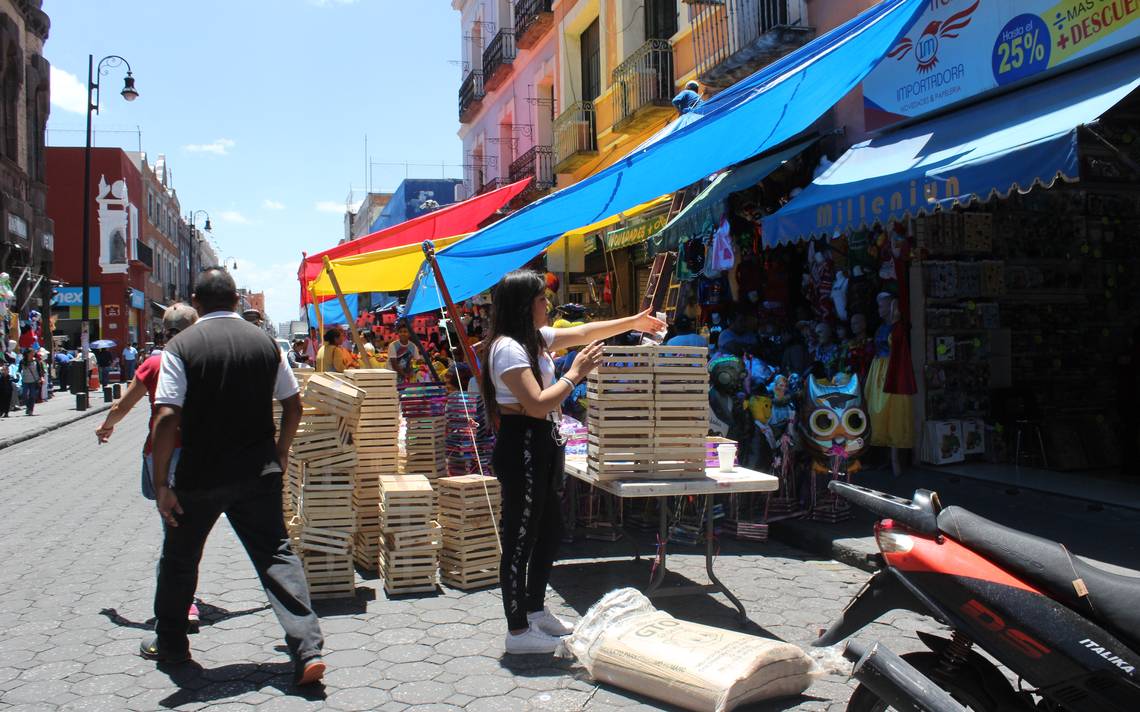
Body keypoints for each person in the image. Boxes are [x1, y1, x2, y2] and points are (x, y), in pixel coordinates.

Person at [144, 268, 325, 685]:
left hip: (200, 475)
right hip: (258, 471)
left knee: (180, 558)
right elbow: (293, 405)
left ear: (196, 302)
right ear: (236, 301)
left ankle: (171, 643)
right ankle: (307, 649)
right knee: (276, 555)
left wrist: (162, 484)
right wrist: (281, 452)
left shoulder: (180, 346)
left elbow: (167, 416)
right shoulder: (265, 344)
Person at [482, 270, 664, 654]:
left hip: (543, 442)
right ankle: (517, 632)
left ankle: (534, 610)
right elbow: (536, 404)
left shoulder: (533, 339)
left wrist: (633, 322)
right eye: (541, 299)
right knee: (519, 539)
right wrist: (575, 373)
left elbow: (584, 332)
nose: (547, 305)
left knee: (549, 531)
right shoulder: (508, 348)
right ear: (524, 305)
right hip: (522, 445)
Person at [96, 304, 202, 628]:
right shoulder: (203, 362)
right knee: (187, 529)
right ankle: (184, 598)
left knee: (173, 529)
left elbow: (123, 404)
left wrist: (106, 426)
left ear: (164, 332)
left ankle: (181, 602)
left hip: (162, 453)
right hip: (199, 454)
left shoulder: (155, 363)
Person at [18, 349, 43, 416]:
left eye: (33, 353)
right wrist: (17, 375)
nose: (33, 354)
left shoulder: (36, 361)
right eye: (32, 353)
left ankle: (30, 410)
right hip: (25, 381)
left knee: (32, 396)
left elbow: (39, 370)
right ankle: (28, 407)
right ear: (27, 354)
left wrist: (41, 378)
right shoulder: (22, 361)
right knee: (24, 395)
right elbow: (19, 370)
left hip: (34, 381)